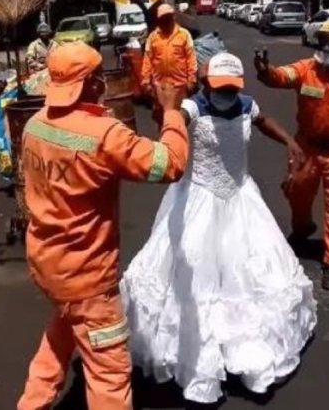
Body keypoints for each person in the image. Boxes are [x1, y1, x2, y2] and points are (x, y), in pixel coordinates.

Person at [120, 52, 317, 404]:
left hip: (241, 197)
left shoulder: (245, 104)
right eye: (220, 86)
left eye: (231, 86)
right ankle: (200, 357)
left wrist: (289, 142)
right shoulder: (194, 108)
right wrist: (166, 110)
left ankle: (245, 349)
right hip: (198, 199)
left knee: (248, 270)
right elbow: (175, 121)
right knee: (196, 272)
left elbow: (264, 120)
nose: (226, 93)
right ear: (207, 83)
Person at [16, 42, 191, 410]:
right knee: (108, 372)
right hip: (88, 279)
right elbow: (168, 164)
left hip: (48, 265)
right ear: (90, 84)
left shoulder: (35, 125)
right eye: (98, 77)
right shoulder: (105, 134)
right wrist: (173, 112)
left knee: (61, 333)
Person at [254, 20, 329, 290]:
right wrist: (265, 71)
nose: (328, 47)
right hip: (307, 148)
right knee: (296, 190)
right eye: (324, 40)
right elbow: (280, 76)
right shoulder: (306, 69)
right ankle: (302, 229)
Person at [141, 3, 197, 125]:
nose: (166, 20)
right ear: (159, 19)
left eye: (168, 17)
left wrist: (191, 79)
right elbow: (148, 60)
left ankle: (179, 142)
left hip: (180, 86)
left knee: (179, 120)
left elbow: (191, 58)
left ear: (173, 17)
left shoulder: (184, 34)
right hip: (159, 86)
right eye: (163, 18)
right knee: (162, 119)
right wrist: (145, 81)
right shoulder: (153, 37)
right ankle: (164, 141)